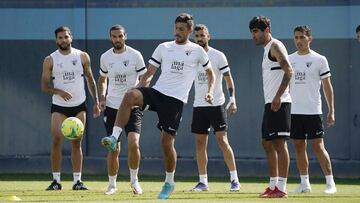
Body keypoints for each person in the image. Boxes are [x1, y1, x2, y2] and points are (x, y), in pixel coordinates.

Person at [101, 13, 215, 199]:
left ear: (190, 30)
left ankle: (169, 181)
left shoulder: (197, 51)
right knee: (129, 95)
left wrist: (209, 91)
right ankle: (114, 137)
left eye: (182, 29)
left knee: (166, 144)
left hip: (175, 101)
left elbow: (211, 74)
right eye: (176, 28)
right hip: (158, 92)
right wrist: (138, 89)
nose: (177, 32)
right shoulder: (163, 47)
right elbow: (149, 74)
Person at [41, 26, 100, 190]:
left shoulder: (82, 56)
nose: (63, 40)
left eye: (66, 37)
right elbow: (44, 86)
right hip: (59, 106)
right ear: (56, 40)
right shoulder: (50, 59)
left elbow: (90, 79)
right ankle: (56, 181)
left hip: (79, 106)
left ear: (71, 38)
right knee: (56, 141)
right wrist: (57, 90)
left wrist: (96, 101)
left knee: (76, 143)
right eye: (60, 38)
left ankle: (77, 181)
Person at [190, 24, 240, 192]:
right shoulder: (190, 56)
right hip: (199, 105)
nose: (199, 38)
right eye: (196, 36)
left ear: (208, 36)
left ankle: (234, 180)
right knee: (200, 144)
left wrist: (232, 99)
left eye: (202, 35)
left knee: (222, 140)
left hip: (217, 104)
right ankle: (203, 182)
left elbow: (228, 79)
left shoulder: (218, 56)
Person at [98, 25, 147, 195]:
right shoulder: (105, 57)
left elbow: (144, 79)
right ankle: (112, 185)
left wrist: (137, 94)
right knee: (114, 148)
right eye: (114, 36)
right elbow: (102, 79)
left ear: (125, 36)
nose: (117, 39)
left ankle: (135, 182)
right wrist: (102, 98)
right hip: (112, 108)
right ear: (110, 38)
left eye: (120, 36)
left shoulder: (135, 55)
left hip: (133, 108)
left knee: (134, 144)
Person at [289, 25, 336, 194]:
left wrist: (331, 110)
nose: (299, 41)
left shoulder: (320, 59)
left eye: (302, 37)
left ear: (310, 38)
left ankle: (330, 183)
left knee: (318, 146)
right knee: (299, 147)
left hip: (313, 111)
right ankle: (304, 183)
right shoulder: (289, 59)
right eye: (296, 37)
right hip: (294, 112)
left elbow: (327, 87)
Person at [249, 16, 293, 198]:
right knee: (267, 143)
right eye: (252, 32)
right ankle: (273, 185)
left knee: (279, 144)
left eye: (256, 32)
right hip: (270, 103)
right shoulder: (267, 49)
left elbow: (289, 71)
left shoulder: (275, 46)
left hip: (279, 103)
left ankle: (281, 188)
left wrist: (278, 97)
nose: (253, 36)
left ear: (266, 30)